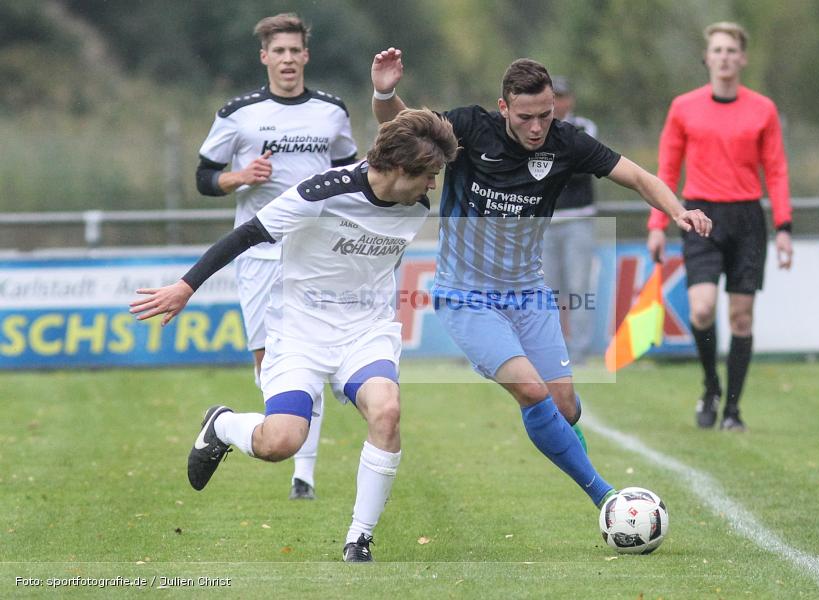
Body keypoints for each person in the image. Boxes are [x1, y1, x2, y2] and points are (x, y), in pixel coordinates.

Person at [370, 49, 712, 525]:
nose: (537, 128)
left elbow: (636, 176)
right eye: (526, 117)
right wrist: (384, 91)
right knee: (532, 390)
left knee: (565, 406)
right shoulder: (470, 128)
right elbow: (404, 131)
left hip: (528, 293)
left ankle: (594, 481)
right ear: (504, 107)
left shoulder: (566, 143)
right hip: (466, 296)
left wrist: (678, 211)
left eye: (546, 116)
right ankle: (607, 499)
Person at [131, 109, 459, 562]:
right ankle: (222, 425)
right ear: (401, 168)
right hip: (299, 332)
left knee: (386, 411)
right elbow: (247, 234)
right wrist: (186, 286)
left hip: (365, 332)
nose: (433, 186)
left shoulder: (414, 206)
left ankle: (359, 539)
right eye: (429, 175)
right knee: (281, 443)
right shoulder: (321, 193)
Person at [195, 13, 359, 500]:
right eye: (278, 51)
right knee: (268, 361)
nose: (287, 59)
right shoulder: (238, 114)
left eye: (294, 50)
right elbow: (204, 178)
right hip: (260, 253)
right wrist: (239, 177)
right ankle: (264, 432)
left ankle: (303, 474)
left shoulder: (332, 111)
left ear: (306, 55)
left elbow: (350, 173)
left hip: (318, 252)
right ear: (264, 56)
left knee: (314, 352)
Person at [646, 22, 793, 432]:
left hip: (746, 218)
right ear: (707, 58)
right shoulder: (683, 107)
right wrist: (657, 223)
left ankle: (732, 410)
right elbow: (667, 169)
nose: (724, 57)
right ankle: (711, 384)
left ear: (742, 58)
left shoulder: (762, 109)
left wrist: (784, 226)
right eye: (717, 50)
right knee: (702, 308)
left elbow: (776, 171)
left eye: (731, 50)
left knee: (741, 318)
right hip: (700, 216)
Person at [541, 77, 600, 365]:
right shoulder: (536, 129)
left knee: (578, 288)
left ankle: (579, 351)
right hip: (546, 223)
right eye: (552, 97)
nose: (557, 103)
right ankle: (550, 348)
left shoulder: (584, 127)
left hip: (578, 220)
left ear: (570, 100)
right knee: (547, 290)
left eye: (561, 97)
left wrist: (551, 165)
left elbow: (582, 165)